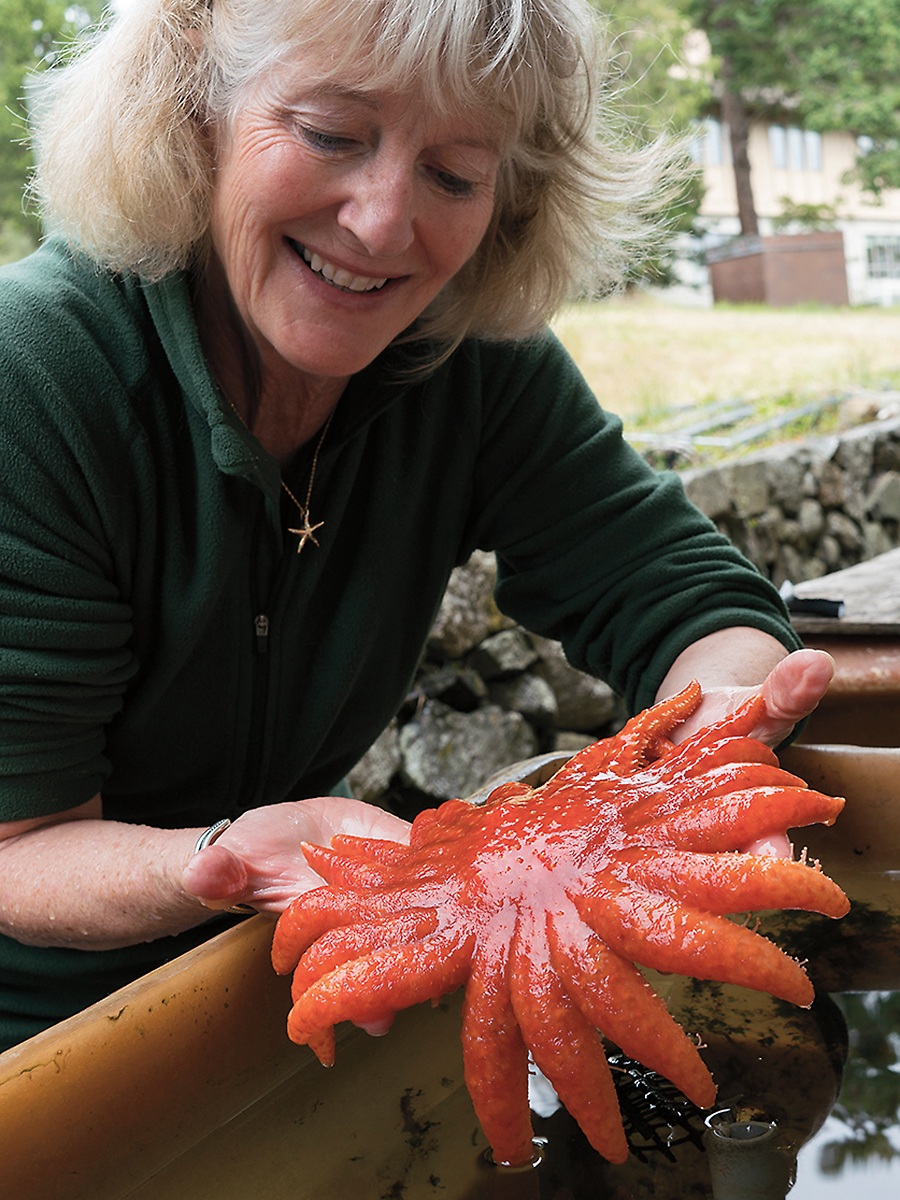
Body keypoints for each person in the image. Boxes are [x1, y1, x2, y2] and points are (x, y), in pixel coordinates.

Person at [0, 0, 832, 1054]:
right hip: (40, 1038)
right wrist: (220, 860)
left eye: (453, 174)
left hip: (302, 987)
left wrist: (704, 739)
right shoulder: (32, 375)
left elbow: (688, 596)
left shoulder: (463, 362)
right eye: (330, 134)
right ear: (193, 110)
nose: (384, 223)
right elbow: (20, 846)